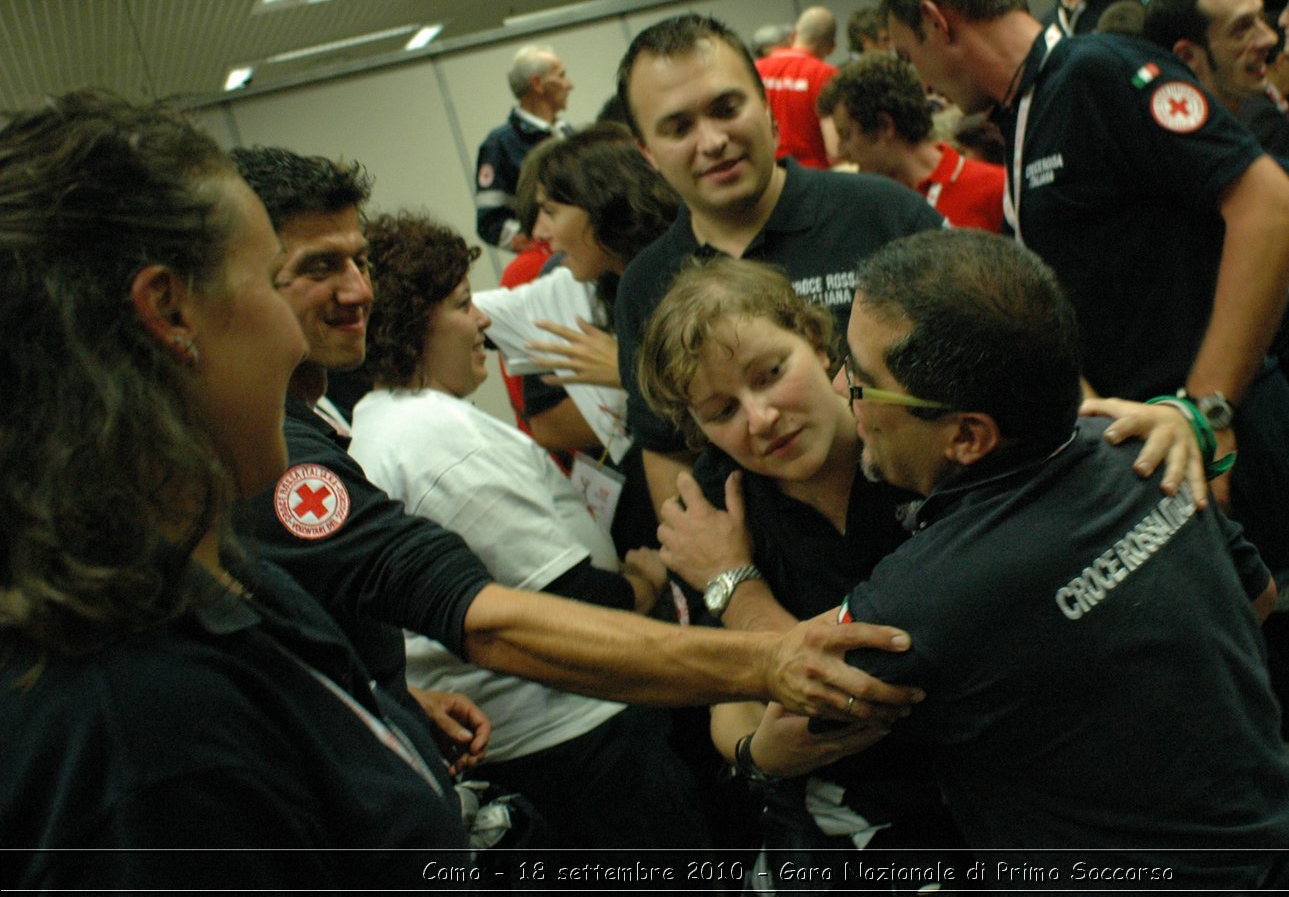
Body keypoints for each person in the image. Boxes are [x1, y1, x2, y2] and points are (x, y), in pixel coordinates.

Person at [881, 0, 1289, 879]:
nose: (920, 83)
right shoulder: (1030, 112)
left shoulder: (1099, 69)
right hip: (1158, 450)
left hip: (1229, 432)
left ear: (935, 22)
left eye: (911, 57)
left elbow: (1273, 210)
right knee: (1245, 696)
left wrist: (1208, 404)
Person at [225, 145, 923, 727]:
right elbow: (468, 610)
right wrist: (757, 678)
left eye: (360, 262)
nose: (358, 291)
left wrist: (391, 696)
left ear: (813, 337)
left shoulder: (910, 442)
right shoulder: (278, 453)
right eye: (320, 267)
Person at [0, 92, 471, 887]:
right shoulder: (146, 735)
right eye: (267, 280)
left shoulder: (203, 577)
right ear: (170, 311)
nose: (296, 331)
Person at [635, 256, 1217, 886]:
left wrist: (1179, 418)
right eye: (721, 411)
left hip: (1011, 802)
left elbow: (850, 683)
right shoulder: (714, 507)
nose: (761, 418)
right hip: (848, 829)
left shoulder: (916, 440)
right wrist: (760, 756)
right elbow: (731, 702)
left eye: (772, 374)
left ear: (819, 342)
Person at [829, 229, 1289, 887]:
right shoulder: (1145, 455)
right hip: (1287, 858)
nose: (841, 390)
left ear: (968, 436)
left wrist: (729, 581)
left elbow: (786, 727)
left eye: (863, 383)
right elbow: (1256, 598)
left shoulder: (924, 594)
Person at [350, 212, 707, 849]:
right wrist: (644, 581)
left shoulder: (385, 421)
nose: (483, 320)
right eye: (463, 306)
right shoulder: (433, 436)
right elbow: (570, 600)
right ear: (411, 326)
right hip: (576, 736)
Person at [612, 13, 945, 515]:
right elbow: (666, 450)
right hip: (784, 570)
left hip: (938, 524)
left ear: (767, 109)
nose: (712, 141)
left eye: (726, 108)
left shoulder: (883, 213)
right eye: (679, 128)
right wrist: (719, 573)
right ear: (648, 152)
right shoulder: (645, 287)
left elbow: (1000, 348)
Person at [474, 124, 680, 551]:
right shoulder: (579, 286)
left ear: (601, 204)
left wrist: (626, 371)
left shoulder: (689, 276)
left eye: (551, 211)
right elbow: (459, 310)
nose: (540, 233)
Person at [816, 53, 1004, 231]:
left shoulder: (995, 190)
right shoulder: (865, 207)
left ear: (884, 126)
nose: (841, 151)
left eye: (847, 135)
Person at [1144, 0, 1289, 159]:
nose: (1270, 38)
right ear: (1187, 56)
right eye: (1242, 28)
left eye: (1262, 17)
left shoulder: (1254, 123)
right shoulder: (1172, 159)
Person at [474, 44, 574, 251]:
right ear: (538, 84)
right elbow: (489, 222)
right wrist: (538, 242)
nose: (569, 84)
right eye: (561, 76)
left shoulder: (567, 133)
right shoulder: (499, 144)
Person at [756, 6, 840, 168]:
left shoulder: (756, 69)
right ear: (831, 47)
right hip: (815, 176)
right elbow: (835, 149)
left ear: (793, 35)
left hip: (772, 175)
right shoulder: (826, 75)